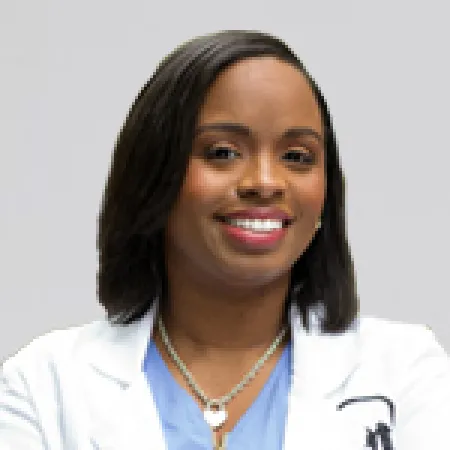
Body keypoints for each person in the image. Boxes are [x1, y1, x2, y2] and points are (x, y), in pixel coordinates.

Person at [1, 30, 449, 450]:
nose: (266, 182)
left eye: (297, 156)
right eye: (223, 152)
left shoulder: (406, 372)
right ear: (154, 174)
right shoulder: (43, 386)